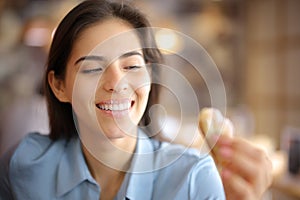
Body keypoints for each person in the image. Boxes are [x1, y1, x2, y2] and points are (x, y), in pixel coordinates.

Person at [0, 0, 272, 199]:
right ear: (59, 86)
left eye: (131, 66)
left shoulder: (192, 177)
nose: (116, 83)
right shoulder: (23, 166)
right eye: (92, 68)